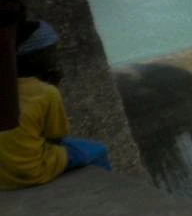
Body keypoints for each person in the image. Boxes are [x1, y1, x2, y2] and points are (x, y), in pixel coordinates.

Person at [0, 21, 110, 191]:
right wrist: (53, 85)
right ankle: (106, 195)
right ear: (34, 58)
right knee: (98, 150)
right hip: (31, 172)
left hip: (2, 177)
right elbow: (56, 137)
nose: (55, 57)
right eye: (51, 52)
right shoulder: (47, 92)